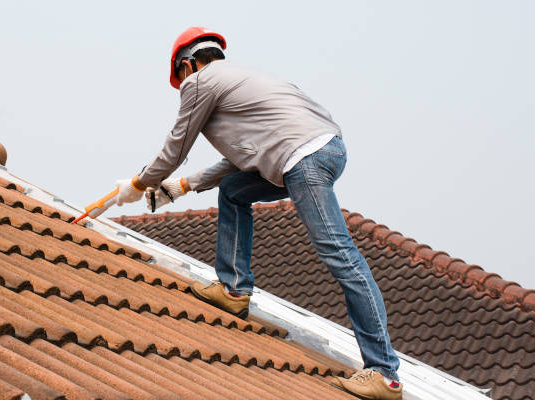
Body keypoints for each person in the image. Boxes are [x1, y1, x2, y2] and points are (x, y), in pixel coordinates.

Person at [106, 27, 403, 400]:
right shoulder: (247, 81)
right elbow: (240, 160)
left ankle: (384, 373)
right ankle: (233, 289)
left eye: (182, 76)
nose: (183, 85)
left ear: (188, 64)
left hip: (302, 159)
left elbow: (177, 145)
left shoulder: (199, 82)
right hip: (322, 151)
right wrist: (180, 187)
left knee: (340, 255)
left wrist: (139, 183)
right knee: (234, 192)